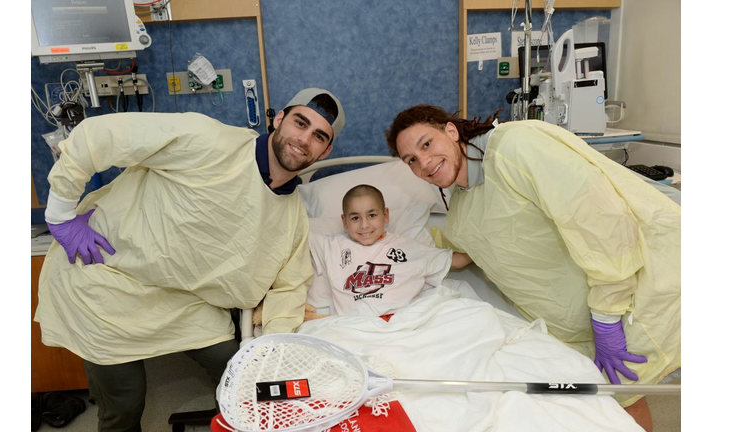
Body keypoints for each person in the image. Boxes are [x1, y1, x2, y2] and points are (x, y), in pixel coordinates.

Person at [35, 88, 345, 432]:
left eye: (319, 136)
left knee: (239, 375)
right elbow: (96, 137)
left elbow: (289, 287)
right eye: (300, 122)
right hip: (107, 278)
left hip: (185, 301)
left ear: (326, 150)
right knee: (125, 404)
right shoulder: (208, 141)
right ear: (280, 119)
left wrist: (274, 346)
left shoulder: (293, 221)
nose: (304, 139)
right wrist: (60, 215)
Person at [385, 105, 680, 432]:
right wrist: (393, 247)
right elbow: (462, 245)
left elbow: (600, 220)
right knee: (615, 405)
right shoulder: (462, 210)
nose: (422, 162)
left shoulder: (516, 146)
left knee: (629, 397)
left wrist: (607, 316)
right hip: (581, 324)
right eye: (410, 159)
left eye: (426, 144)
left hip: (642, 285)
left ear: (451, 132)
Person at [309, 184, 471, 317]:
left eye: (372, 215)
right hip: (356, 327)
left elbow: (456, 261)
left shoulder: (407, 247)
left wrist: (488, 244)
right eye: (355, 218)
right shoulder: (333, 247)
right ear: (344, 221)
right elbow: (293, 232)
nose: (364, 225)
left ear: (385, 215)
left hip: (404, 321)